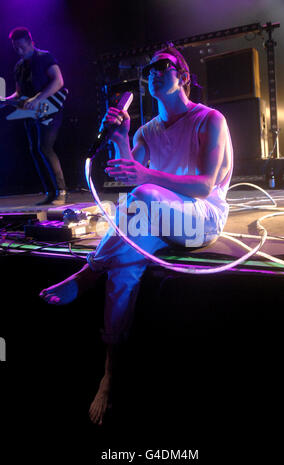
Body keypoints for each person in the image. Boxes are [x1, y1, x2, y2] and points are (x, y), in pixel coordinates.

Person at [39, 46, 233, 424]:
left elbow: (204, 184)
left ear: (184, 76)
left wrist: (145, 179)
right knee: (125, 264)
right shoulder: (146, 130)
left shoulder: (210, 120)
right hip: (157, 218)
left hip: (202, 218)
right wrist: (119, 135)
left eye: (162, 66)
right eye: (149, 69)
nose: (153, 72)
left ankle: (88, 271)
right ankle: (110, 374)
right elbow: (126, 171)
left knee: (141, 199)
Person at [5, 27, 67, 205]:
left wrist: (38, 98)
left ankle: (61, 191)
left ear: (31, 43)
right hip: (31, 114)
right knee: (35, 150)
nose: (19, 51)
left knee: (45, 147)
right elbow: (18, 94)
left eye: (22, 47)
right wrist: (5, 101)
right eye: (15, 48)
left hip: (50, 110)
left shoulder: (44, 57)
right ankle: (50, 192)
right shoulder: (19, 66)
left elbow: (58, 81)